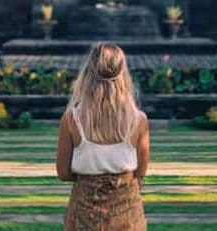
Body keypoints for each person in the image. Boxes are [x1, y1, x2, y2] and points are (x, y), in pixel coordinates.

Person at [56, 43, 149, 230]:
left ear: (88, 74)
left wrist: (90, 178)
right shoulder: (138, 119)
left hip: (84, 209)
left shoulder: (72, 118)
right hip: (127, 210)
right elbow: (140, 172)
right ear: (123, 74)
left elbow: (63, 172)